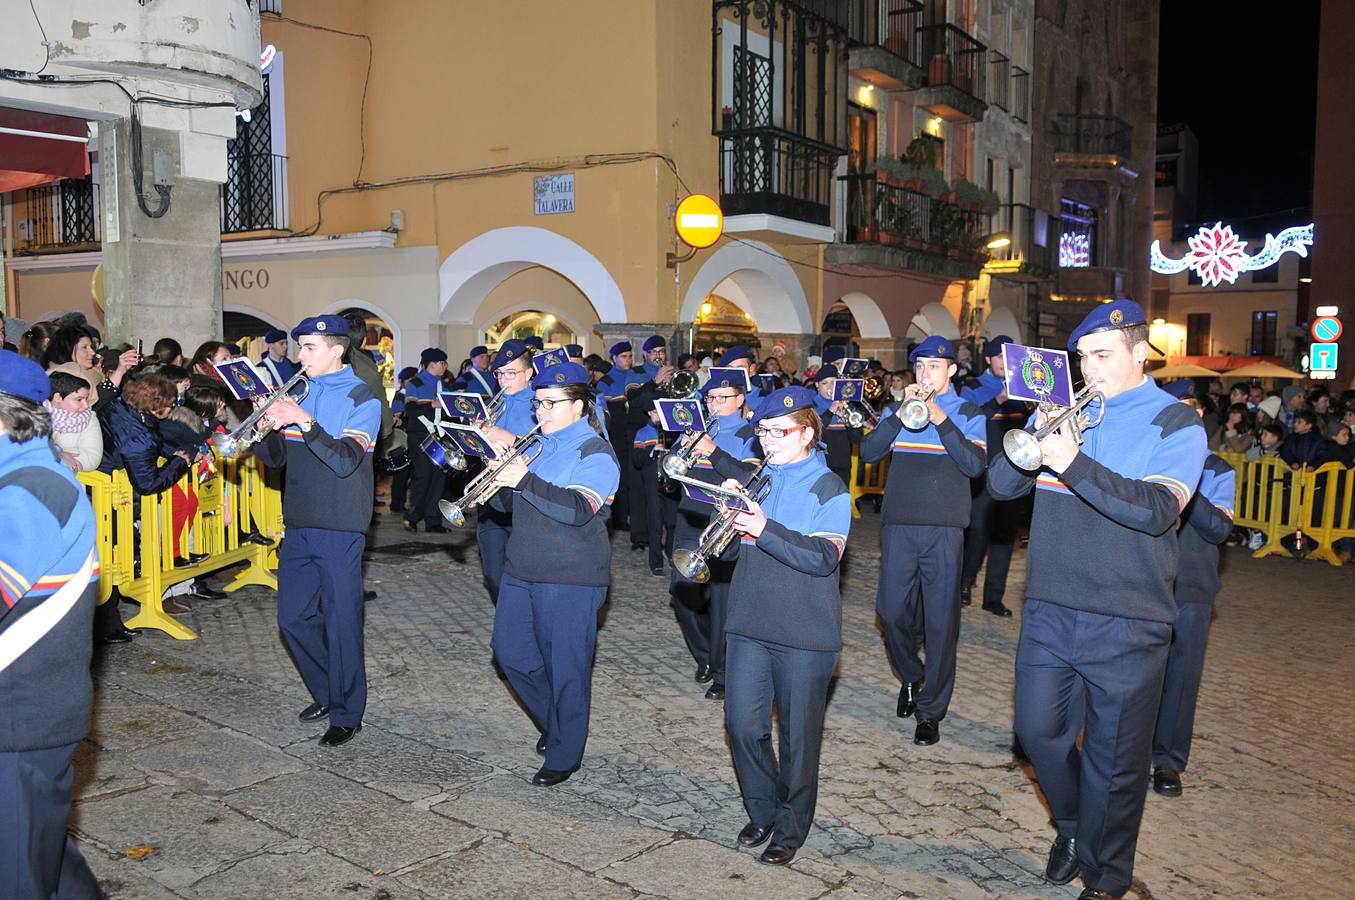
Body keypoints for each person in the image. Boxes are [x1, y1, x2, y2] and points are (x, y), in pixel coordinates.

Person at [987, 299, 1207, 900]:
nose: (1088, 370)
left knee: (1115, 763)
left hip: (1130, 620)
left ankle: (1107, 879)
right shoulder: (1069, 412)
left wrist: (1073, 460)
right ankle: (1077, 828)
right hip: (1052, 606)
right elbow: (1003, 487)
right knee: (1037, 735)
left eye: (1102, 356)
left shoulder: (1176, 422)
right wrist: (1038, 432)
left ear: (1140, 354)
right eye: (1081, 357)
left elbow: (1158, 511)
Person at [722, 386, 851, 867]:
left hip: (804, 633)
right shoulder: (757, 480)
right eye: (763, 431)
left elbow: (822, 558)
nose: (768, 441)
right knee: (742, 724)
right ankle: (763, 809)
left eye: (779, 432)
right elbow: (737, 553)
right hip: (750, 621)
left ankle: (792, 827)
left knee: (798, 738)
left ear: (808, 432)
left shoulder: (829, 487)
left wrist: (761, 527)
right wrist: (732, 524)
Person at [0, 349, 104, 899]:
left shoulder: (31, 489)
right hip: (25, 711)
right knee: (44, 863)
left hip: (19, 717)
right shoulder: (20, 477)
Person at [486, 362, 619, 787]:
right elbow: (508, 509)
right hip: (522, 567)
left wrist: (523, 477)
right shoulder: (537, 444)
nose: (538, 411)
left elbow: (578, 510)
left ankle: (565, 752)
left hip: (571, 575)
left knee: (567, 668)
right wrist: (499, 477)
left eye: (549, 403)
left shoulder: (595, 452)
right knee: (510, 653)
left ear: (578, 405)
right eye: (536, 403)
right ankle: (556, 724)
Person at [252, 315, 381, 747]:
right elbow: (276, 460)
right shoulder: (300, 391)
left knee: (342, 622)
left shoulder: (363, 395)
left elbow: (346, 460)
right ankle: (328, 691)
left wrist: (304, 421)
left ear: (336, 350)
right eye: (300, 346)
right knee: (293, 619)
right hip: (300, 519)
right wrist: (262, 426)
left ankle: (347, 712)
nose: (300, 356)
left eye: (309, 347)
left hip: (341, 522)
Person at [860, 336, 987, 745]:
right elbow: (869, 453)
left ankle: (931, 712)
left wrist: (940, 419)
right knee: (891, 610)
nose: (925, 373)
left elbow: (973, 464)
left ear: (951, 370)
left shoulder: (968, 412)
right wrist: (899, 415)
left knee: (940, 622)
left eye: (935, 366)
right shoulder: (899, 410)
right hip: (900, 524)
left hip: (945, 528)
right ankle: (913, 677)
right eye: (920, 366)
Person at [1152, 402, 1235, 799]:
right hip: (1147, 582)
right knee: (1137, 676)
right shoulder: (1151, 456)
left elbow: (1219, 528)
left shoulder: (1217, 469)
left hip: (1192, 587)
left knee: (1182, 678)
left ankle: (1168, 760)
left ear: (1200, 416)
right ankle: (1129, 754)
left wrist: (1189, 482)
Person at [670, 372, 761, 700]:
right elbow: (670, 473)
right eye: (710, 399)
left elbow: (749, 476)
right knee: (682, 593)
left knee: (722, 601)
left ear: (739, 400)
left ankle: (723, 673)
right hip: (690, 517)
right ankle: (707, 655)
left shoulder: (752, 433)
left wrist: (710, 449)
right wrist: (682, 454)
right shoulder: (698, 430)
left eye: (722, 398)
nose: (714, 404)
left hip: (725, 523)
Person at [960, 335, 1030, 617]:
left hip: (1014, 471)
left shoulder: (1023, 388)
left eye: (1009, 357)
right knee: (977, 531)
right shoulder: (973, 386)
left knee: (1004, 536)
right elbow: (970, 419)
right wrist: (1000, 397)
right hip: (985, 473)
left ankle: (994, 597)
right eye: (999, 357)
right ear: (989, 359)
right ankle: (964, 584)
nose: (1005, 363)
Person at [473, 340, 538, 602]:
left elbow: (547, 447)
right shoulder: (494, 404)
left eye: (511, 373)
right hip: (491, 497)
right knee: (492, 572)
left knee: (522, 572)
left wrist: (508, 437)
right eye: (499, 373)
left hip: (522, 498)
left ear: (528, 373)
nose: (503, 380)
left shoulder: (540, 404)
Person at [595, 341, 647, 530]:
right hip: (617, 434)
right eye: (623, 356)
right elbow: (602, 413)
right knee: (622, 475)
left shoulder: (639, 375)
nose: (628, 360)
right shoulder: (606, 382)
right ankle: (621, 518)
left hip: (637, 431)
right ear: (614, 358)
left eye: (630, 356)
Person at [402, 348, 452, 533]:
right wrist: (433, 404)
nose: (445, 367)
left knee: (439, 477)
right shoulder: (415, 383)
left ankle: (433, 521)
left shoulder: (442, 385)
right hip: (419, 435)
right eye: (443, 363)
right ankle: (412, 516)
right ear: (432, 364)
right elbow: (411, 410)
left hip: (439, 436)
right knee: (422, 476)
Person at [45, 325, 138, 409]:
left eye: (91, 347)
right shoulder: (61, 376)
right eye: (84, 347)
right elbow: (97, 402)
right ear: (66, 350)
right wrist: (119, 371)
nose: (93, 352)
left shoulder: (92, 372)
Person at [46, 370, 104, 473]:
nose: (86, 405)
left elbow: (92, 458)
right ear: (57, 397)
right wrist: (58, 454)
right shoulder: (36, 415)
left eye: (86, 399)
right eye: (79, 399)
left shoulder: (88, 419)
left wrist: (63, 458)